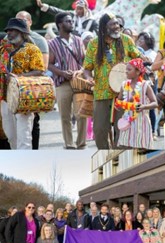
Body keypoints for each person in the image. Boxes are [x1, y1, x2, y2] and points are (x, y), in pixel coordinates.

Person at [82, 13, 140, 149]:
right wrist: (89, 77)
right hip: (102, 92)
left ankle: (121, 158)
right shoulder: (94, 44)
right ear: (104, 28)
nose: (117, 26)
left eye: (117, 24)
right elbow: (87, 68)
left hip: (124, 92)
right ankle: (105, 156)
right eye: (112, 24)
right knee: (99, 129)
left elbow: (138, 57)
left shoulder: (126, 40)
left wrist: (144, 63)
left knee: (123, 127)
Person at [0, 18, 45, 150]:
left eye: (13, 30)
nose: (9, 33)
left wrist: (18, 77)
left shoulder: (32, 49)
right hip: (5, 97)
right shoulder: (3, 50)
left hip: (24, 96)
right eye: (8, 30)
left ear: (22, 32)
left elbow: (39, 71)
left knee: (24, 136)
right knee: (11, 136)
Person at [48, 12, 87, 150]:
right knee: (65, 116)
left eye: (72, 21)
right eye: (68, 21)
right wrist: (62, 73)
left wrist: (80, 72)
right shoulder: (52, 43)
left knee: (82, 114)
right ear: (60, 24)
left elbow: (85, 61)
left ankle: (81, 144)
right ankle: (69, 145)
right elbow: (49, 64)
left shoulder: (78, 40)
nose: (72, 23)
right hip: (62, 84)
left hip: (79, 83)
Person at [115, 58, 158, 149]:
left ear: (138, 72)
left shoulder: (145, 85)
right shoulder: (124, 85)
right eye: (126, 69)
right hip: (128, 122)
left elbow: (155, 103)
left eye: (129, 70)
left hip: (142, 123)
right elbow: (118, 104)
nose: (126, 71)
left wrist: (144, 106)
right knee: (127, 146)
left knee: (142, 147)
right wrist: (125, 103)